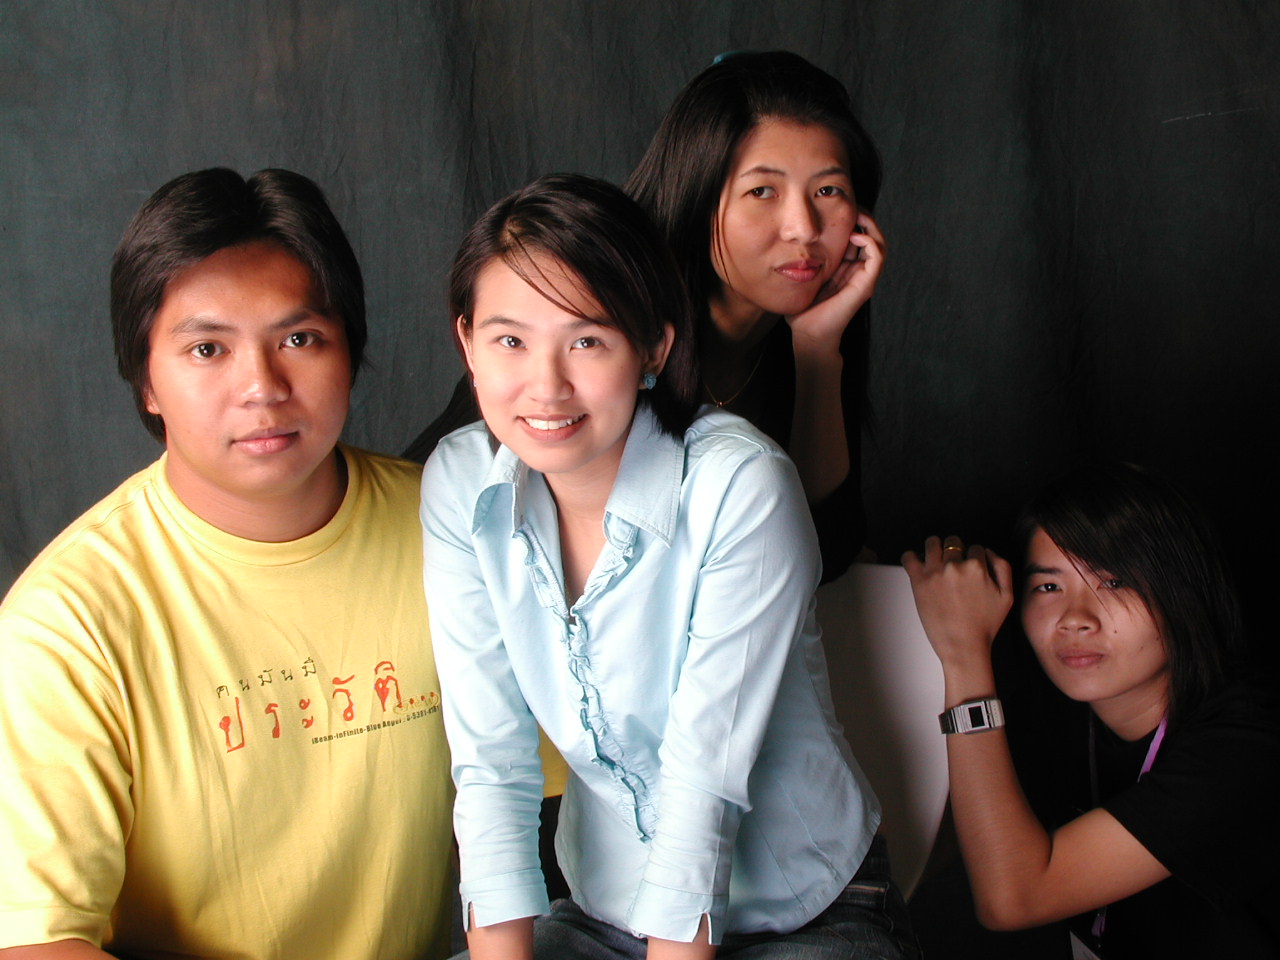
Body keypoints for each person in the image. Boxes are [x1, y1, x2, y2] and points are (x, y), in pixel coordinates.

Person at [421, 173, 914, 960]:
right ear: (467, 345)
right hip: (605, 911)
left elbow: (701, 786)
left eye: (587, 340)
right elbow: (492, 764)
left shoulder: (738, 484)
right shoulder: (461, 482)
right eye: (510, 341)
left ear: (653, 347)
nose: (546, 386)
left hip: (806, 912)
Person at [0, 168, 454, 960]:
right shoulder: (66, 623)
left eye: (299, 339)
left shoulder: (456, 533)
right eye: (207, 348)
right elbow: (37, 942)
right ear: (146, 380)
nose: (262, 387)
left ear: (351, 351)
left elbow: (582, 792)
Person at [903, 463, 1279, 958]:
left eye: (1115, 582)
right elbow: (937, 853)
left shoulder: (1247, 745)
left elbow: (1012, 899)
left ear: (1182, 593)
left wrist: (964, 653)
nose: (1075, 620)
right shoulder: (1054, 713)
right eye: (1049, 587)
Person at [624, 50, 885, 582]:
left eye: (828, 190)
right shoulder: (608, 314)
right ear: (696, 198)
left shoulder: (813, 330)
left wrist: (818, 349)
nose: (803, 228)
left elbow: (823, 550)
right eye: (762, 191)